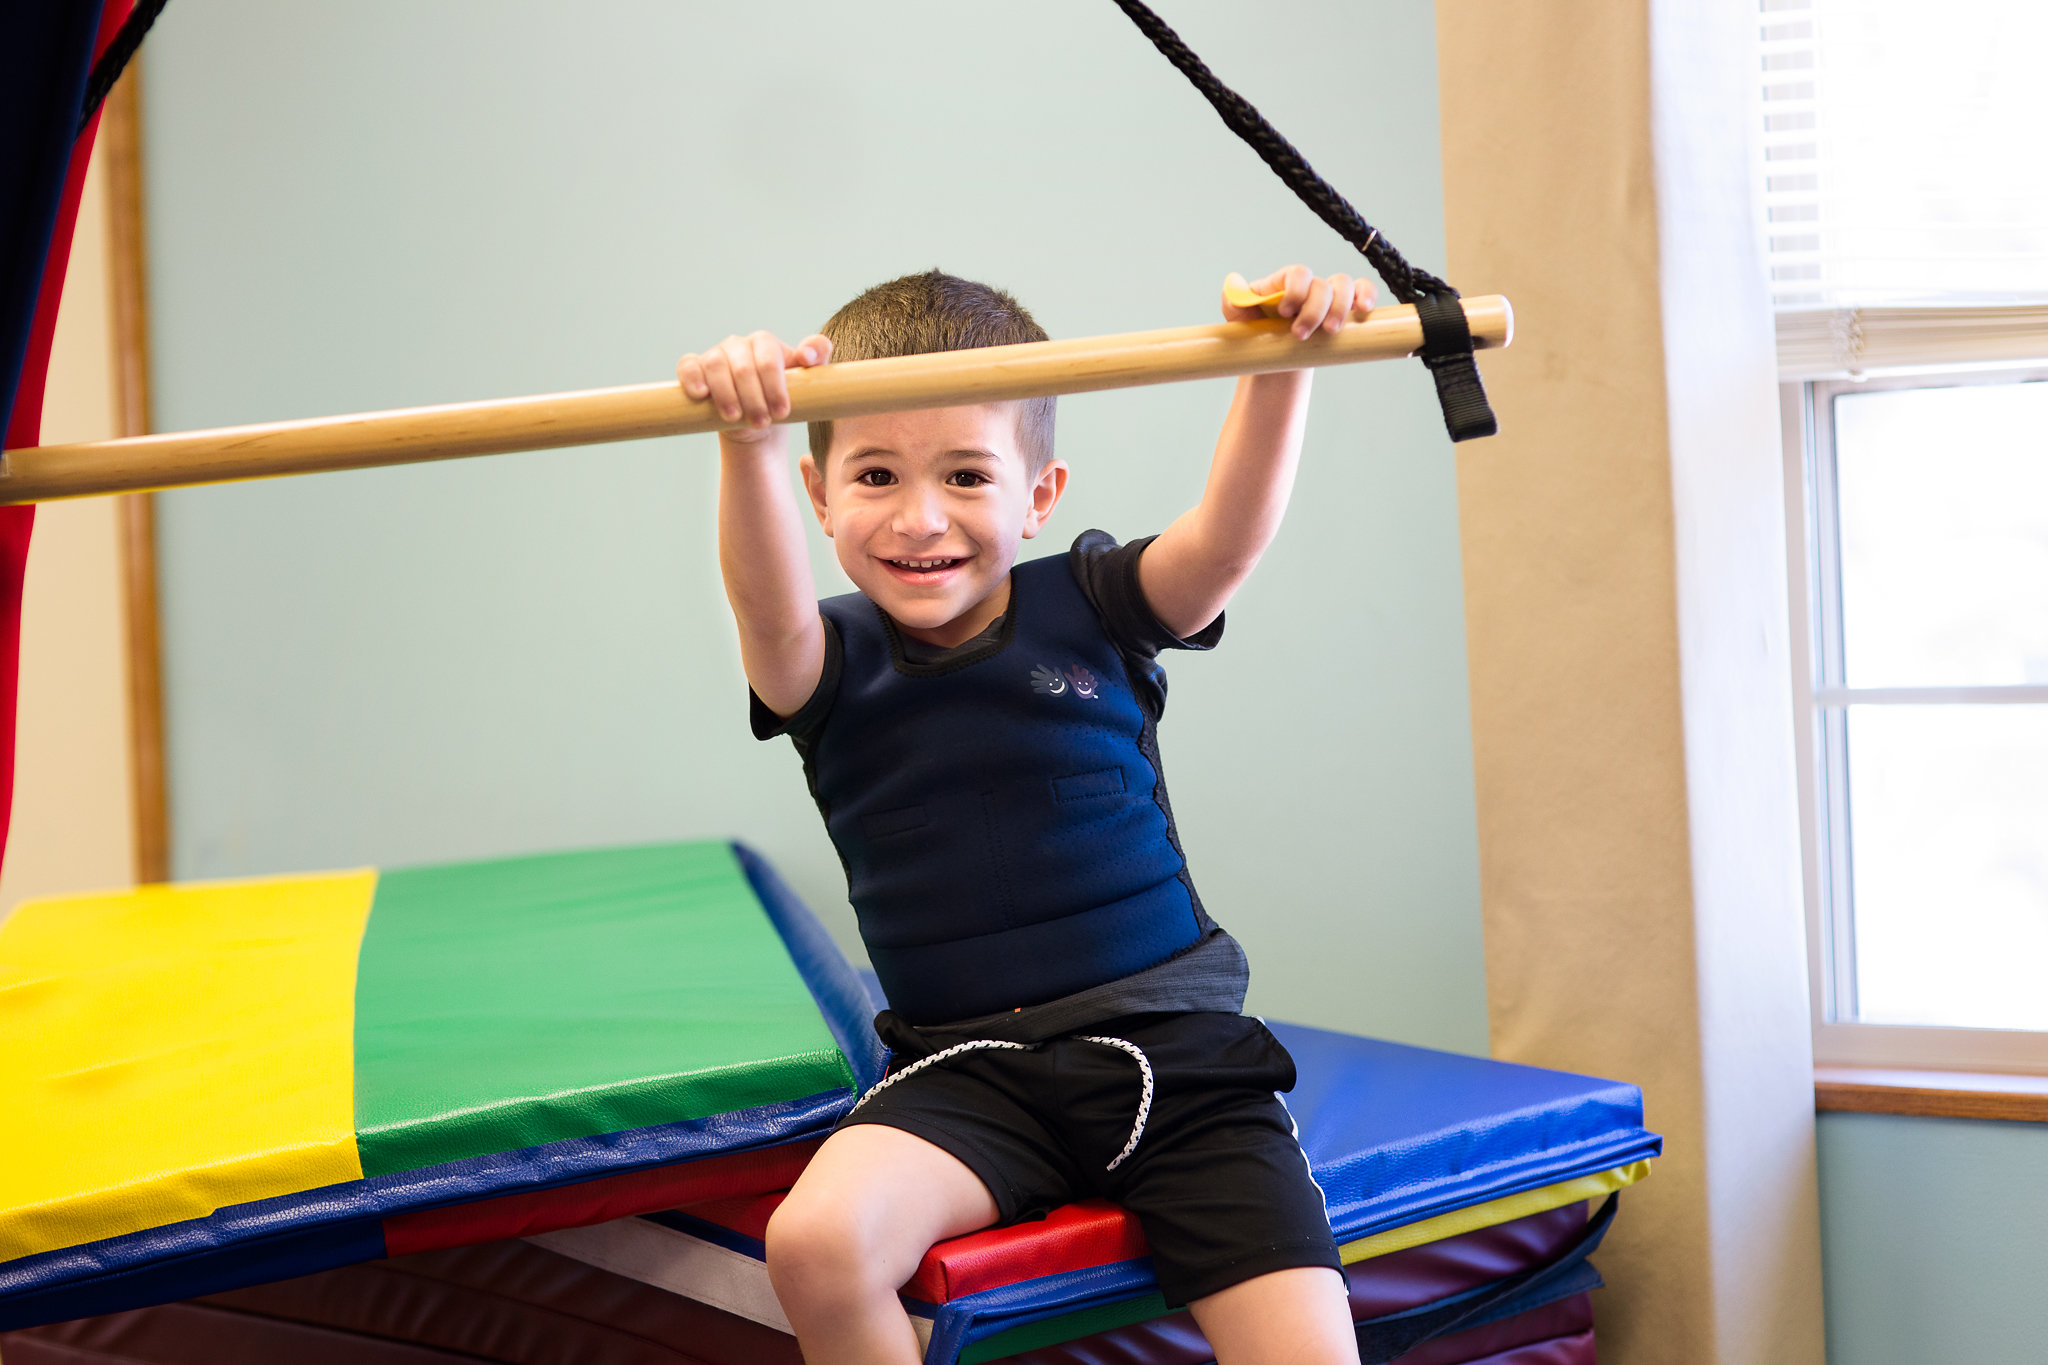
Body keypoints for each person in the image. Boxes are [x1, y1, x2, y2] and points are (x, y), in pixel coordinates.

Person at [681, 265, 1374, 1365]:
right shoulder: (822, 662)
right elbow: (761, 606)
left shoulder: (1095, 604)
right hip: (967, 1077)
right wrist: (750, 437)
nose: (920, 518)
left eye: (965, 473)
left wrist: (1277, 364)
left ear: (1037, 495)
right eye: (873, 474)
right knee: (813, 1243)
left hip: (1177, 1068)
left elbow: (1226, 542)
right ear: (820, 501)